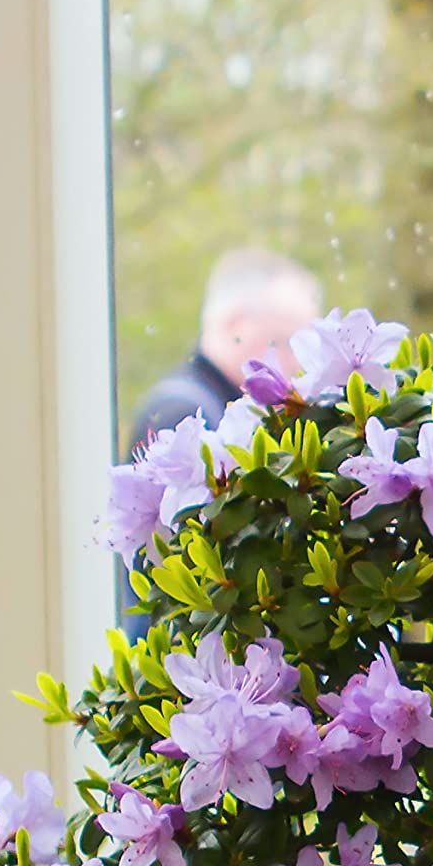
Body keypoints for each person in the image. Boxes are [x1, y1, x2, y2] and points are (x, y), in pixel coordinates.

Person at [119, 249, 323, 635]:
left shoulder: (208, 403)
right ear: (234, 324)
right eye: (288, 341)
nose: (298, 363)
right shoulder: (181, 412)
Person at [125, 247, 323, 451]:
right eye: (283, 342)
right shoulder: (180, 416)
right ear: (234, 325)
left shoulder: (203, 402)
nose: (296, 362)